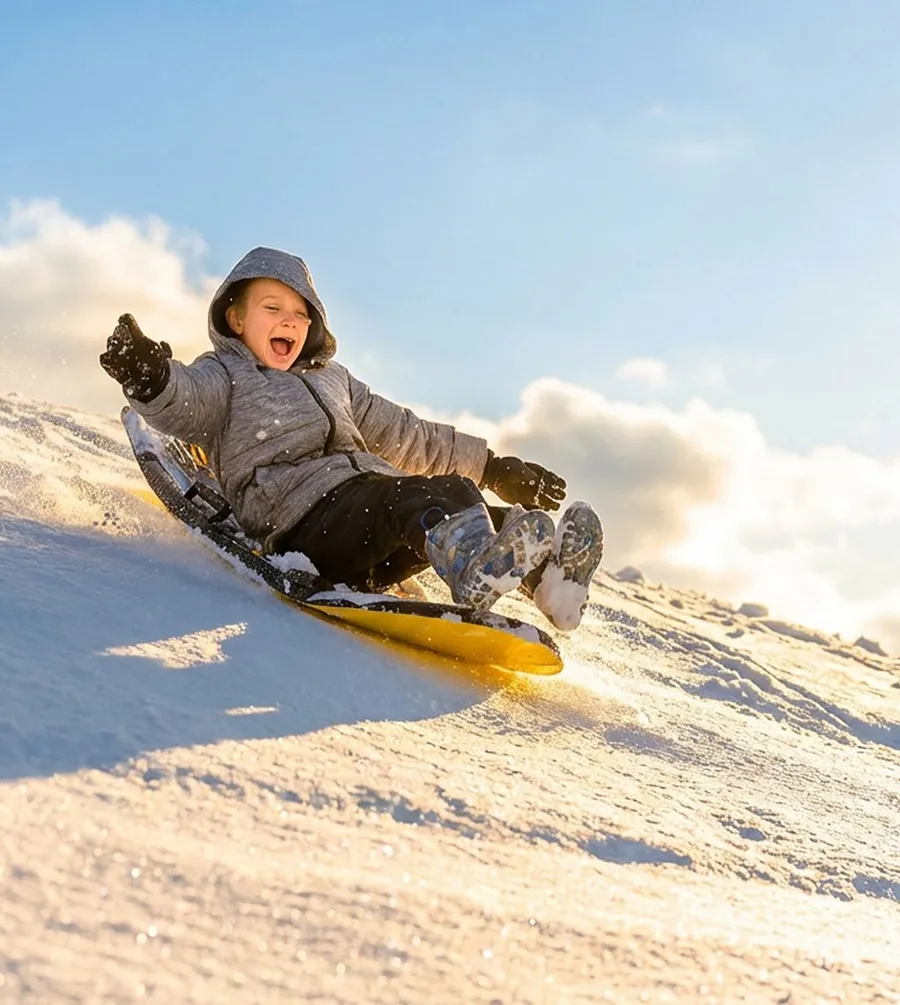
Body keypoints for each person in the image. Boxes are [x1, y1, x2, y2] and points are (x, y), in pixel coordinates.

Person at [100, 247, 602, 629]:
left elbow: (408, 433)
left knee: (461, 500)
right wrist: (150, 378)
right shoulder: (224, 376)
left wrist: (493, 468)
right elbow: (183, 404)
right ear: (236, 318)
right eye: (272, 309)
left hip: (366, 524)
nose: (289, 323)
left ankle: (551, 584)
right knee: (421, 499)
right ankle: (473, 567)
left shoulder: (333, 379)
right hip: (302, 522)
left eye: (300, 315)